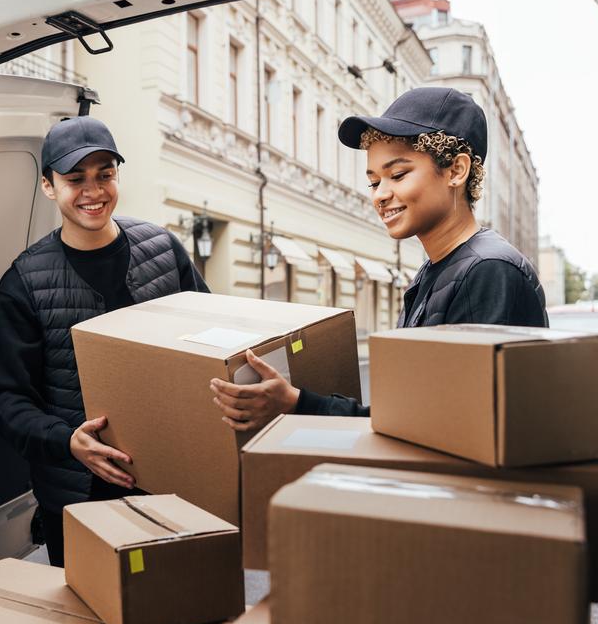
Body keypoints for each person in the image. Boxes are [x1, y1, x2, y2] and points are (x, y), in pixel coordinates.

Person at [210, 86, 548, 424]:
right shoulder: (440, 269)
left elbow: (449, 429)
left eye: (398, 175)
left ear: (456, 171)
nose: (381, 195)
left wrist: (299, 404)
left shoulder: (487, 270)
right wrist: (295, 402)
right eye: (374, 182)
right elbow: (416, 416)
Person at [0, 116, 208, 566]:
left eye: (105, 174)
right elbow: (6, 400)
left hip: (171, 480)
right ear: (48, 186)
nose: (93, 191)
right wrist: (68, 441)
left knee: (179, 607)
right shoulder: (24, 282)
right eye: (75, 179)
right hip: (77, 492)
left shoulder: (163, 249)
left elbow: (206, 343)